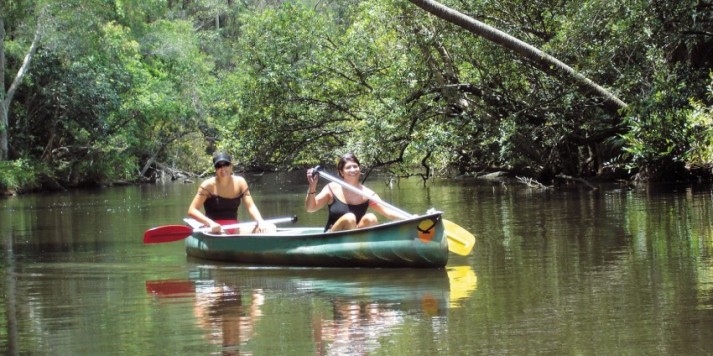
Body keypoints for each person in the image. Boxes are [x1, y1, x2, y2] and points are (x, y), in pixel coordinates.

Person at [305, 153, 402, 232]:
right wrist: (312, 186)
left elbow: (388, 212)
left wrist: (411, 219)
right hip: (333, 235)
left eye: (355, 166)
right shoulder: (331, 188)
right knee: (349, 218)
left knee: (371, 218)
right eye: (348, 167)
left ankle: (362, 251)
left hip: (355, 237)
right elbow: (310, 208)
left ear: (359, 169)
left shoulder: (367, 194)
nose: (352, 170)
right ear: (341, 172)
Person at [188, 152, 274, 234]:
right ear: (215, 169)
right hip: (214, 229)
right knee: (220, 234)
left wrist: (260, 221)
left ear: (231, 166)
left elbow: (251, 206)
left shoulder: (241, 182)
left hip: (235, 228)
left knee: (270, 228)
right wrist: (210, 223)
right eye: (219, 166)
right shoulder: (207, 185)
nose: (223, 169)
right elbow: (192, 210)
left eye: (226, 164)